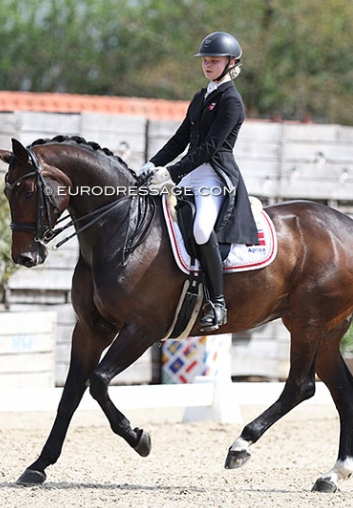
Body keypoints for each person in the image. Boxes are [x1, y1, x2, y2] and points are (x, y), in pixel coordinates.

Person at [138, 31, 259, 332]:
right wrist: (154, 163)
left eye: (214, 61)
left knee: (202, 230)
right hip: (191, 172)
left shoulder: (232, 101)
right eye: (205, 60)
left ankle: (218, 303)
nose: (207, 65)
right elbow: (181, 139)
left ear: (231, 63)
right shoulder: (200, 96)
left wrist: (171, 173)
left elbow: (209, 148)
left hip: (215, 176)